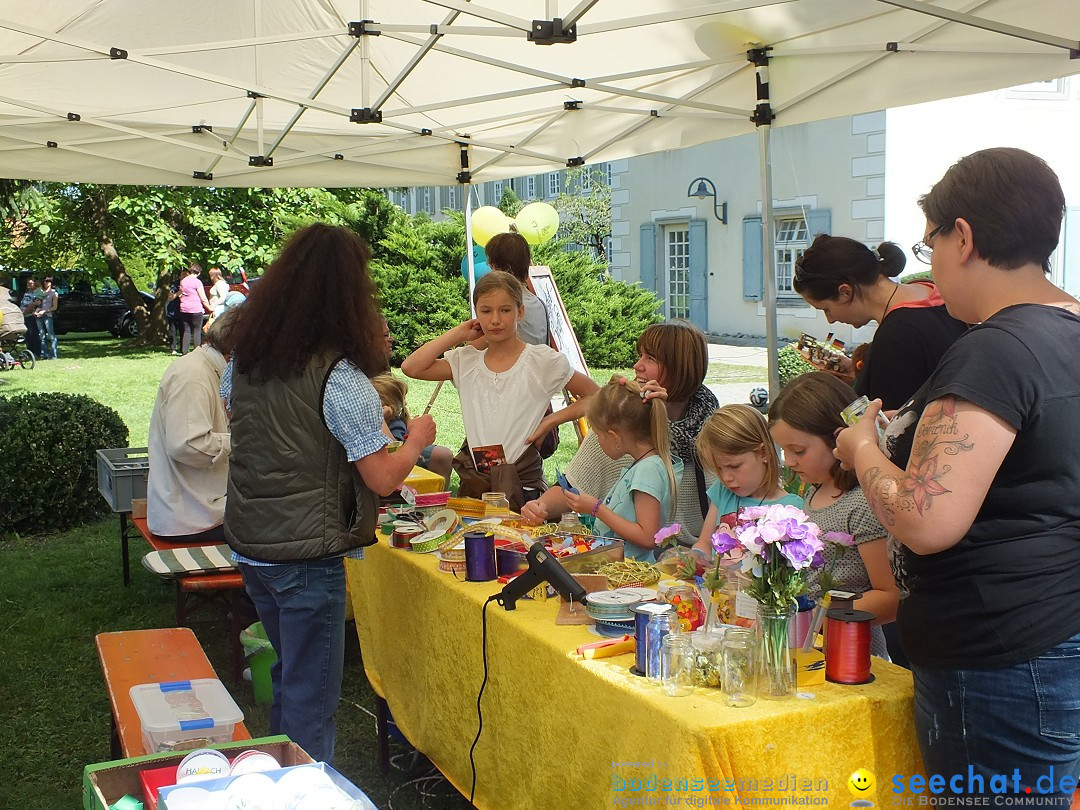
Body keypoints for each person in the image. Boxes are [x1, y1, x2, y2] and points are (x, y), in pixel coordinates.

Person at [835, 147, 1080, 798]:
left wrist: (863, 449)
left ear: (963, 236)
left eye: (932, 245)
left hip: (997, 660)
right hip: (1048, 636)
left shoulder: (997, 350)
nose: (932, 268)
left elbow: (925, 517)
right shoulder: (1068, 329)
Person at [222, 223, 437, 765]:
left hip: (253, 544)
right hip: (307, 554)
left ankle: (278, 780)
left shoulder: (242, 364)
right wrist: (414, 441)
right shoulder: (340, 378)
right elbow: (383, 479)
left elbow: (252, 430)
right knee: (310, 697)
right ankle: (304, 790)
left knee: (293, 679)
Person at [401, 271, 598, 511]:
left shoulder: (540, 361)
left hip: (522, 486)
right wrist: (459, 333)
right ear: (476, 314)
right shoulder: (467, 361)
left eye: (505, 310)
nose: (495, 319)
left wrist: (550, 421)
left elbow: (596, 396)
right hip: (477, 482)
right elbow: (411, 367)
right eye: (486, 311)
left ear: (520, 312)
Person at [538, 321, 718, 545]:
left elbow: (731, 502)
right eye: (640, 355)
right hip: (630, 557)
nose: (637, 365)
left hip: (693, 556)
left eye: (650, 358)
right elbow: (574, 485)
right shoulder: (622, 420)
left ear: (681, 368)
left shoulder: (712, 431)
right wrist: (540, 507)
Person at [768, 372, 897, 658]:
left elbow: (889, 597)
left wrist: (815, 619)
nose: (789, 461)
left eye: (798, 450)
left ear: (839, 437)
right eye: (784, 451)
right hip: (810, 647)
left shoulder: (863, 502)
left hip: (853, 654)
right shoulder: (814, 492)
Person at [793, 234, 967, 410]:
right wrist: (863, 372)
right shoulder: (930, 291)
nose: (831, 319)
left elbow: (888, 427)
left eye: (826, 309)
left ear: (845, 291)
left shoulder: (896, 335)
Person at [521, 377, 682, 560]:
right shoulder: (643, 464)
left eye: (598, 435)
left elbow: (647, 537)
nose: (597, 441)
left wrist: (596, 509)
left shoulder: (648, 470)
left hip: (632, 570)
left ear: (614, 436)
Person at [146, 310, 236, 543]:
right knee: (287, 522)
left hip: (202, 506)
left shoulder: (207, 368)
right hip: (192, 518)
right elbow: (188, 445)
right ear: (233, 354)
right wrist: (243, 440)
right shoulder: (193, 376)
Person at [690, 404, 803, 557]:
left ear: (763, 452)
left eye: (734, 466)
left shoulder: (790, 507)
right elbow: (704, 542)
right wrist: (695, 556)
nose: (726, 478)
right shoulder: (723, 491)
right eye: (719, 469)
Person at [370, 371, 454, 488]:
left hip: (404, 457)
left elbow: (393, 450)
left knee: (443, 454)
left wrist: (380, 419)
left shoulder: (395, 424)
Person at [484, 232, 548, 345]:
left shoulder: (501, 302)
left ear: (495, 267)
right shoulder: (538, 303)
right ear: (528, 264)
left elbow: (472, 348)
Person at [179, 262, 211, 354]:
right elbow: (203, 297)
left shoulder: (183, 281)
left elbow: (181, 294)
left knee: (186, 330)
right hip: (196, 309)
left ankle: (184, 351)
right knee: (197, 330)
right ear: (198, 272)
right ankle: (197, 351)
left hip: (184, 308)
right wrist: (209, 307)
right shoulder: (197, 282)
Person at [35, 276, 58, 360]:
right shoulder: (40, 292)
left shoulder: (54, 293)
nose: (46, 282)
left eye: (48, 281)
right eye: (44, 281)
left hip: (48, 315)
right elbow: (38, 303)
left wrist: (44, 311)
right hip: (39, 316)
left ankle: (54, 354)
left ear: (51, 282)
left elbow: (54, 307)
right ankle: (44, 354)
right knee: (42, 335)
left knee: (51, 335)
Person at [19, 278, 41, 358]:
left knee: (33, 334)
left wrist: (23, 313)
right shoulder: (26, 293)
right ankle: (30, 352)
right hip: (24, 316)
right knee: (27, 335)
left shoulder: (37, 294)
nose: (28, 284)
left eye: (30, 283)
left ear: (35, 284)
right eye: (28, 283)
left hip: (31, 316)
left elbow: (33, 304)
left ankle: (37, 353)